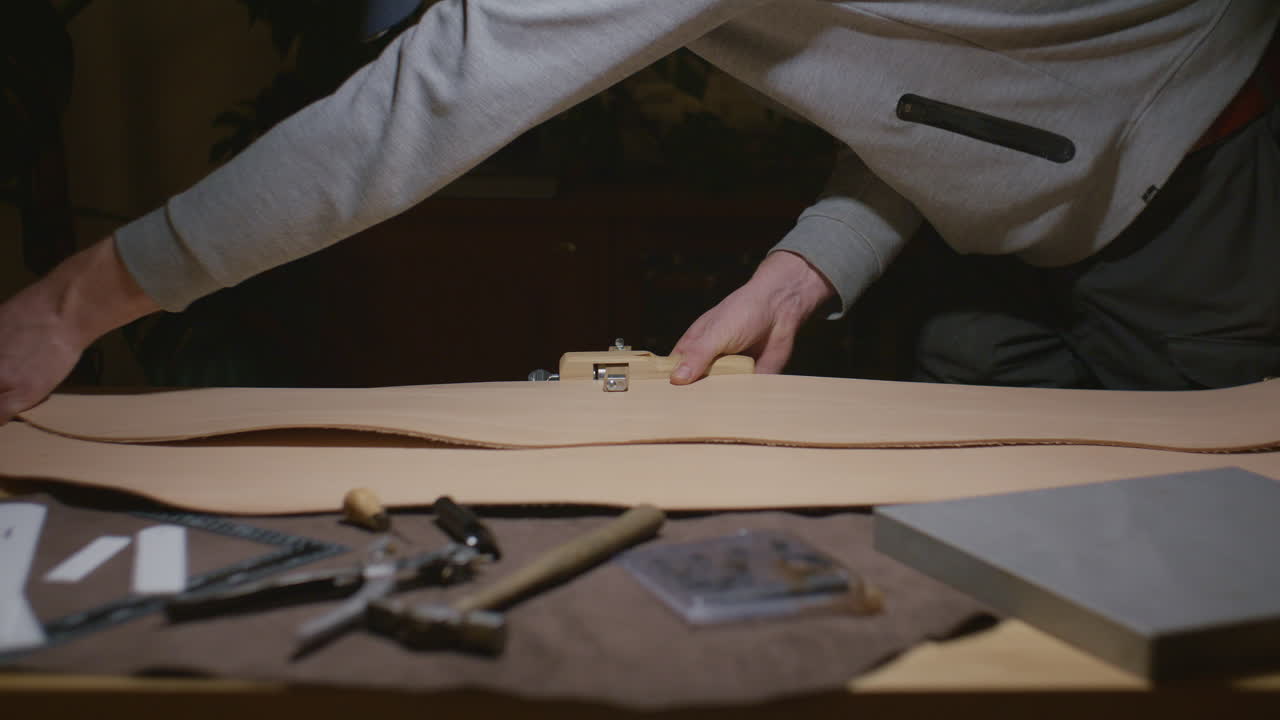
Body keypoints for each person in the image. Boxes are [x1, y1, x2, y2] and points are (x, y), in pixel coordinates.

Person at [2, 0, 1277, 426]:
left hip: (1211, 205)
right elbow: (957, 88)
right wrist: (804, 264)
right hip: (1021, 236)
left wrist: (72, 303)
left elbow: (417, 109)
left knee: (1168, 561)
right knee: (952, 393)